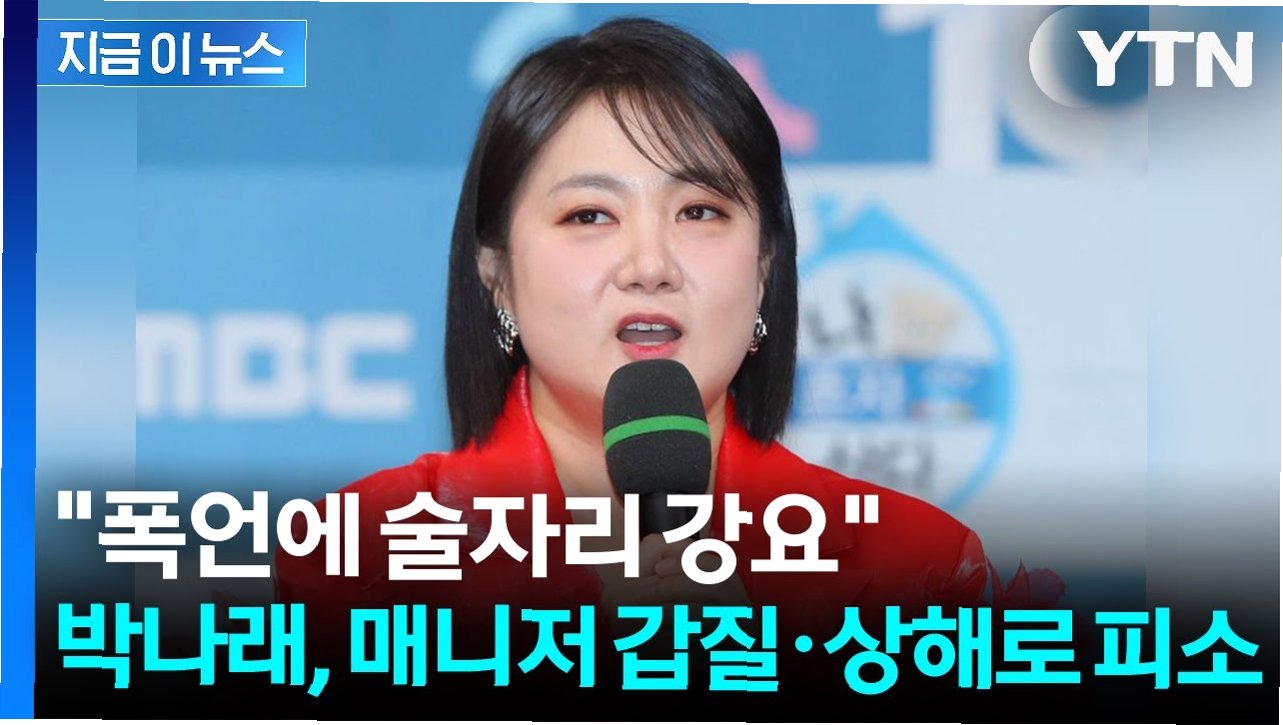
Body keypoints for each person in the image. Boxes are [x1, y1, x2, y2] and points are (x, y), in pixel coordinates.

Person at [275, 14, 992, 660]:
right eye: (590, 215)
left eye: (700, 211)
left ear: (764, 269)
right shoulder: (357, 557)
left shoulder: (920, 569)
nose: (650, 265)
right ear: (496, 276)